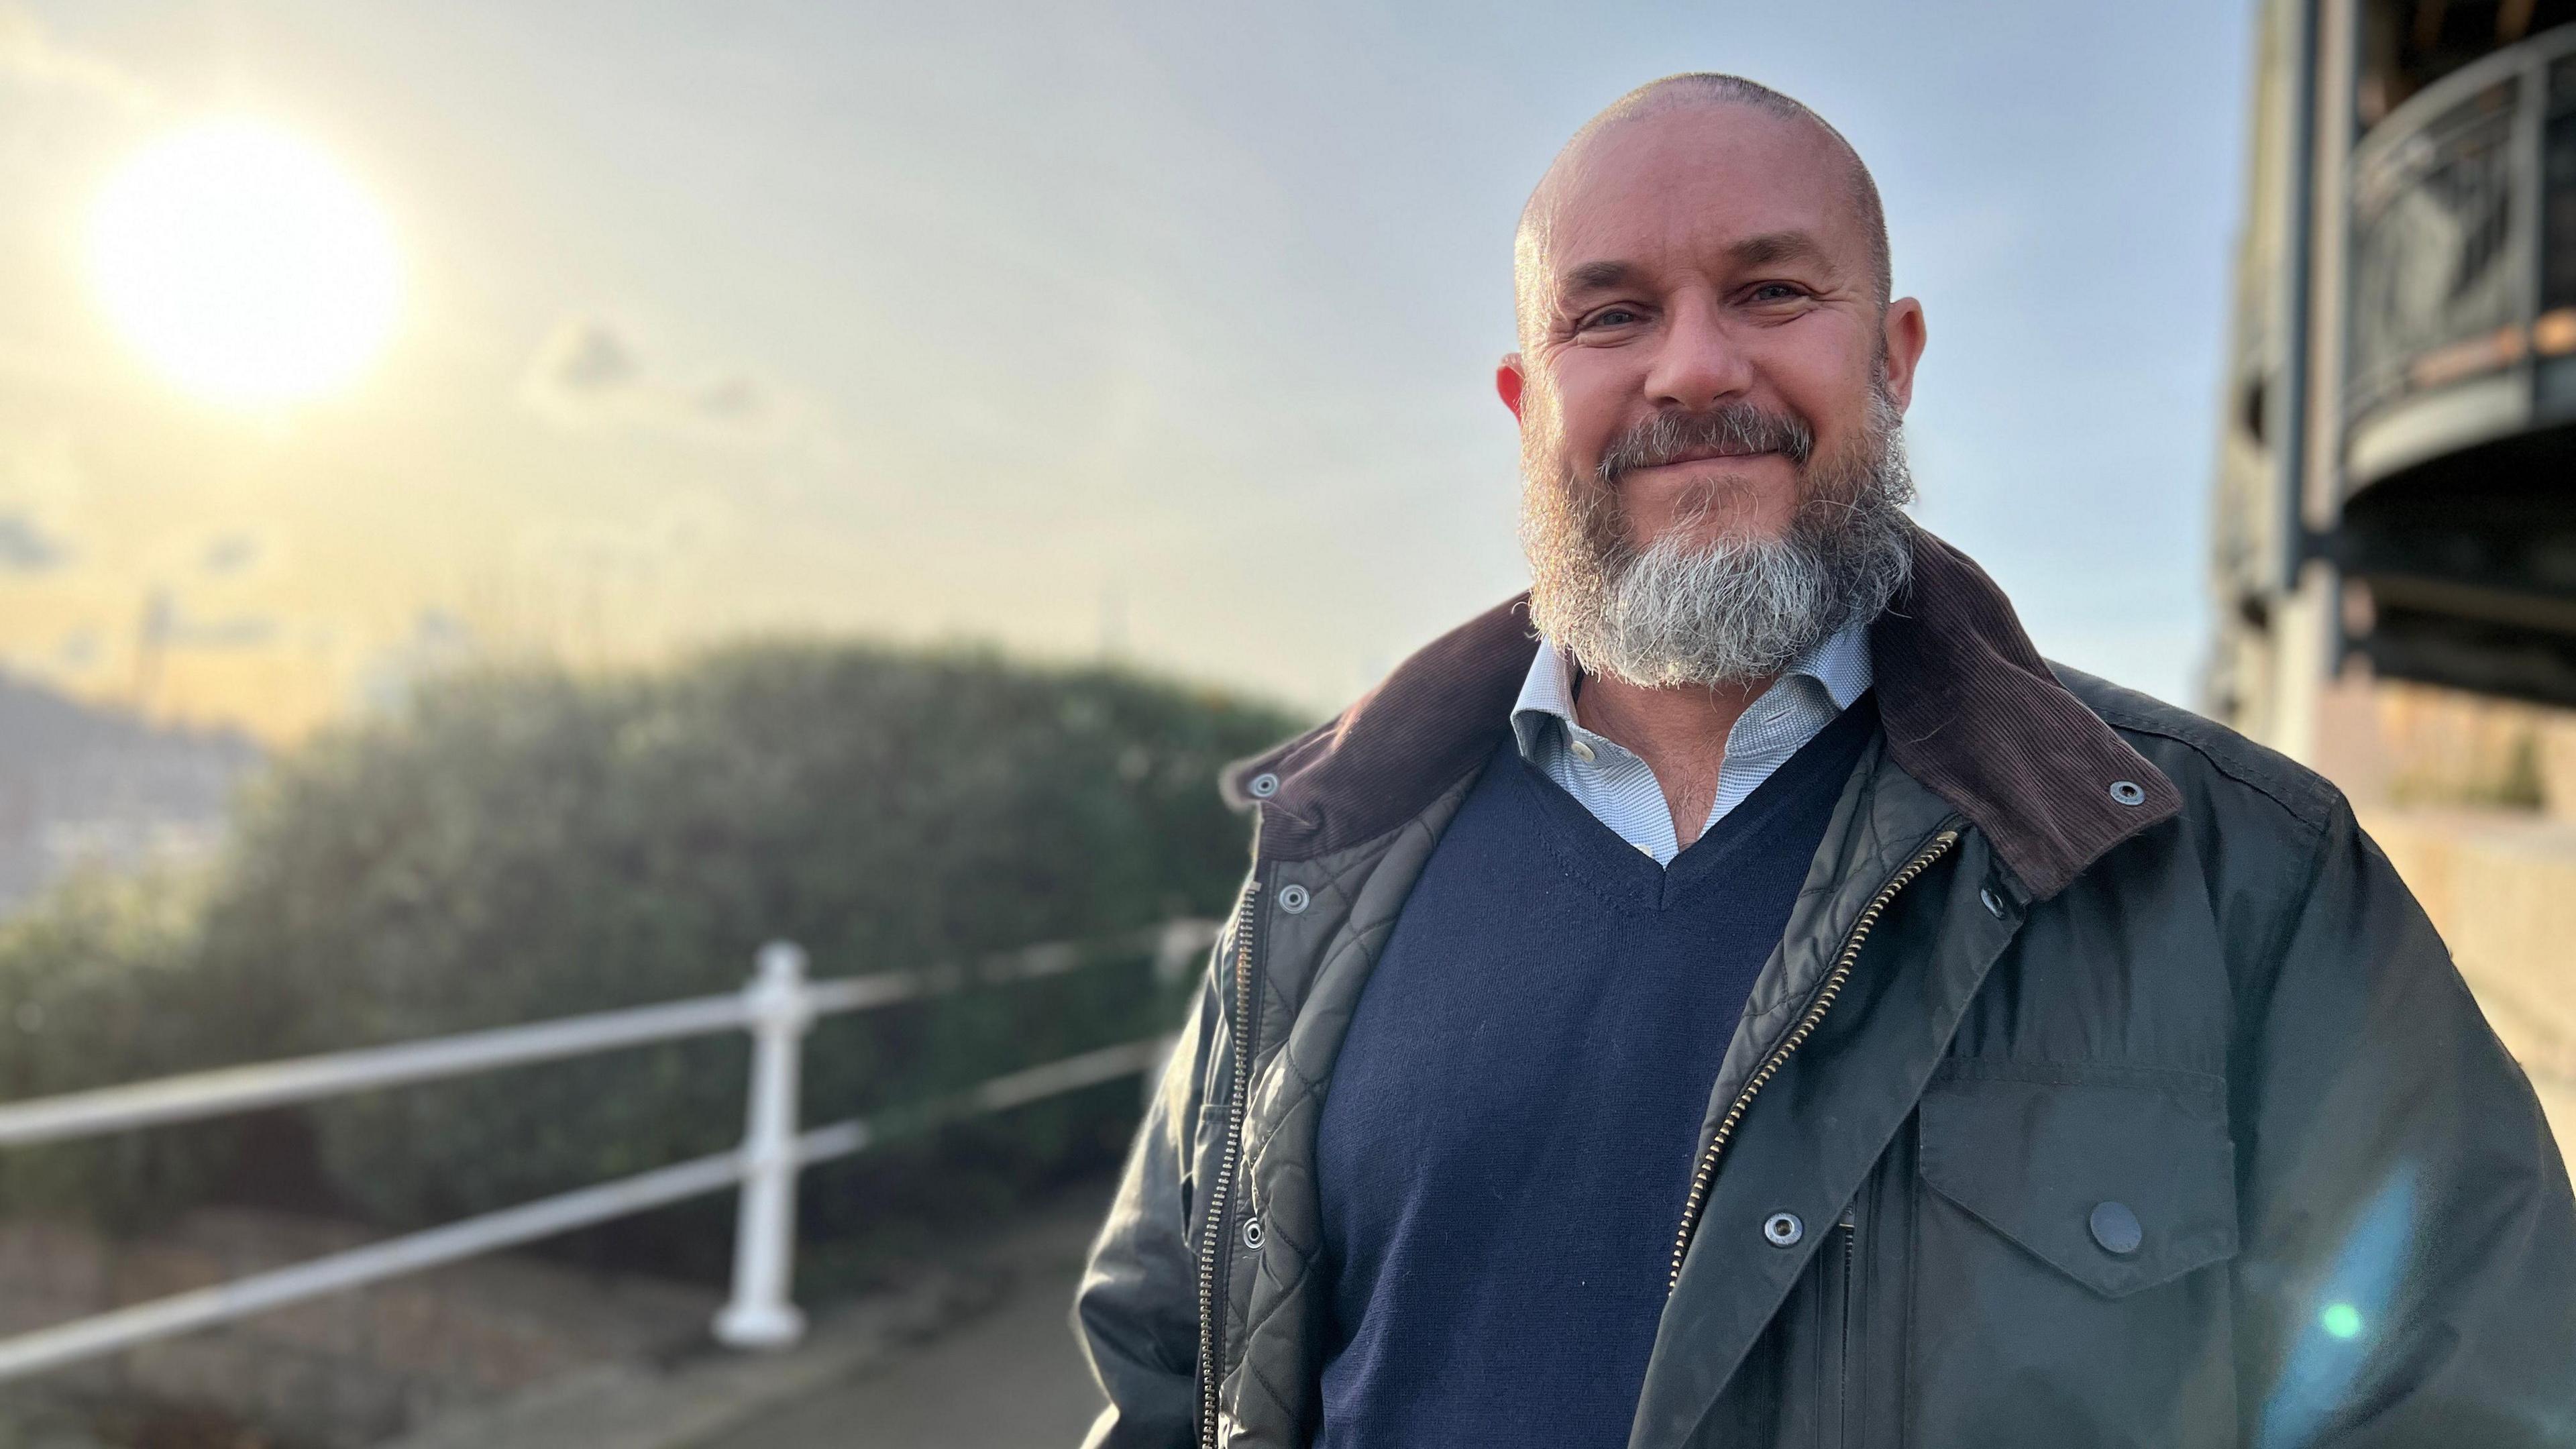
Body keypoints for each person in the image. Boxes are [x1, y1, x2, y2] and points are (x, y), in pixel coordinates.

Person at [1072, 73, 2576, 1448]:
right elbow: (1163, 1373)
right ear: (1527, 406)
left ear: (1893, 356)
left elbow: (2481, 1394)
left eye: (1770, 289)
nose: (1690, 367)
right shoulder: (1327, 862)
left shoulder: (2245, 874)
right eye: (1608, 315)